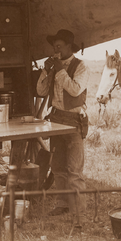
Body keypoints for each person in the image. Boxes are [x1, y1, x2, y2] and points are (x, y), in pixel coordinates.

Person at [36, 29, 90, 221]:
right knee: (58, 166)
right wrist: (46, 70)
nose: (55, 50)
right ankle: (62, 204)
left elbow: (75, 90)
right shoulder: (54, 67)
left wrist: (59, 70)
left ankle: (78, 212)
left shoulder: (80, 66)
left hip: (74, 122)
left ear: (69, 47)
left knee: (74, 169)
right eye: (54, 47)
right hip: (57, 120)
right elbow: (41, 91)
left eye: (59, 46)